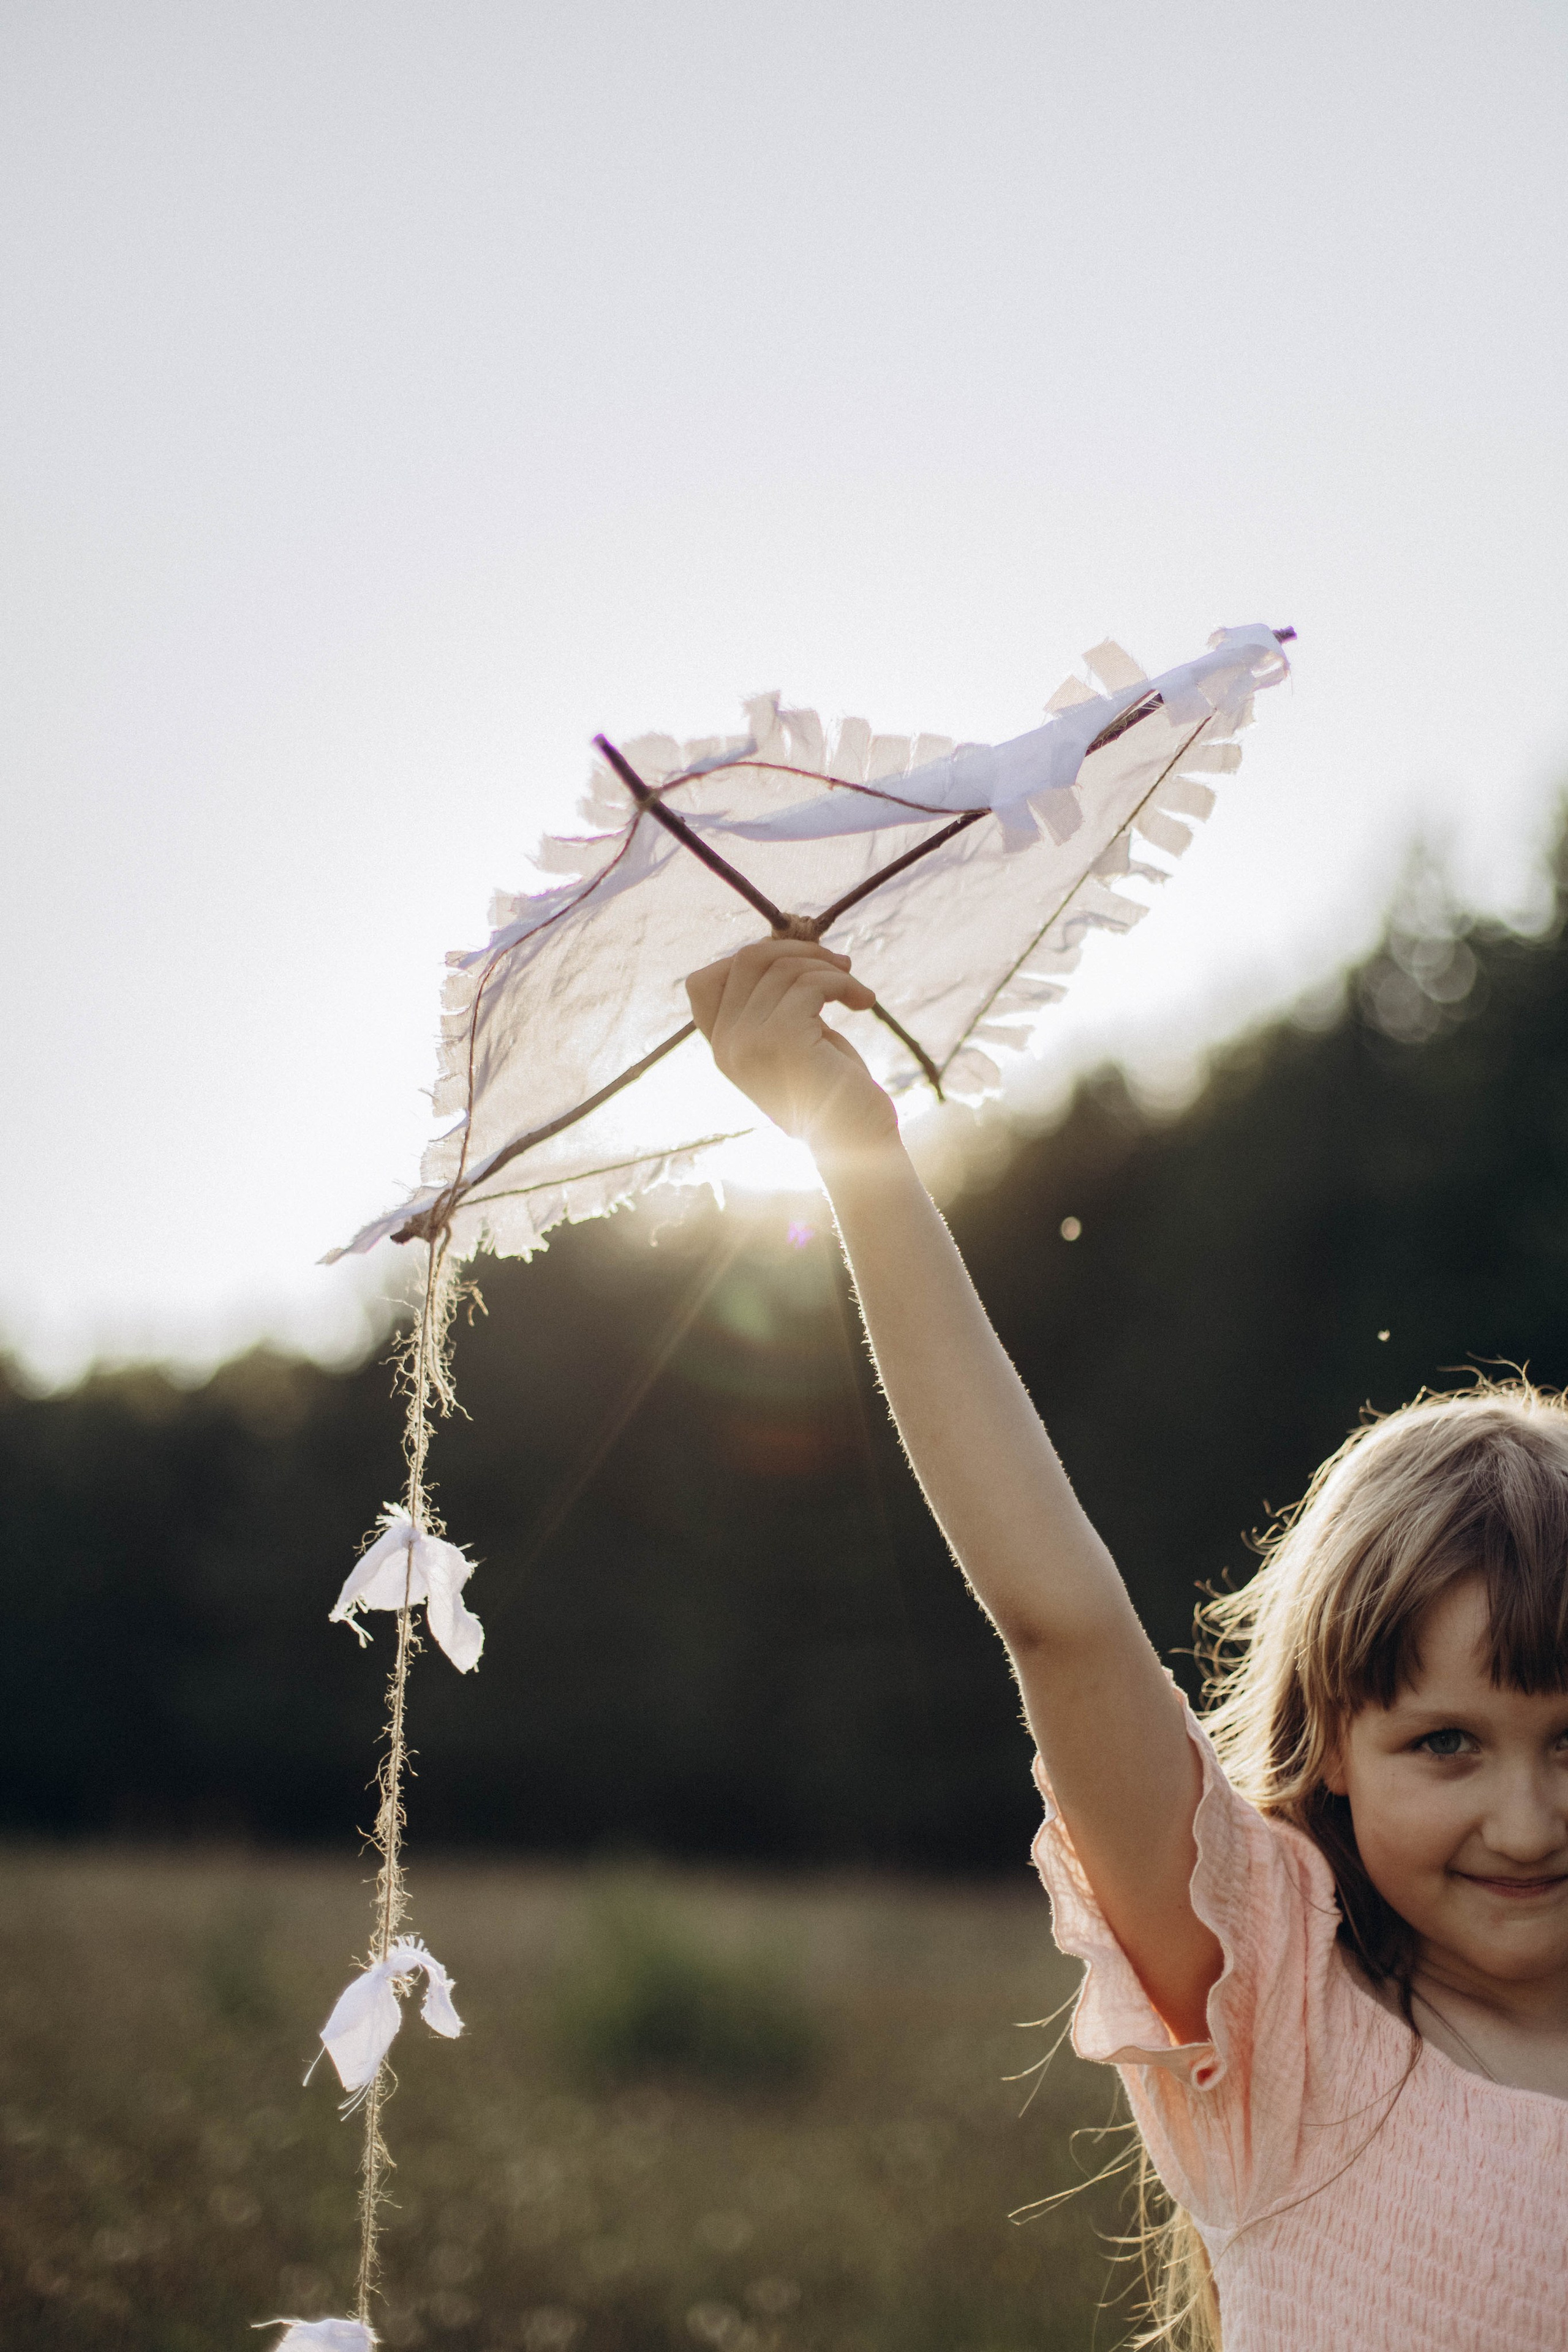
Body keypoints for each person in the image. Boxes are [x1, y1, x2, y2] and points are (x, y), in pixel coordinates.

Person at [686, 937, 1568, 2352]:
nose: (1523, 1821)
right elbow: (1060, 1619)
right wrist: (856, 1148)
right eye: (1446, 1743)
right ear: (1333, 1748)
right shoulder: (1279, 2014)